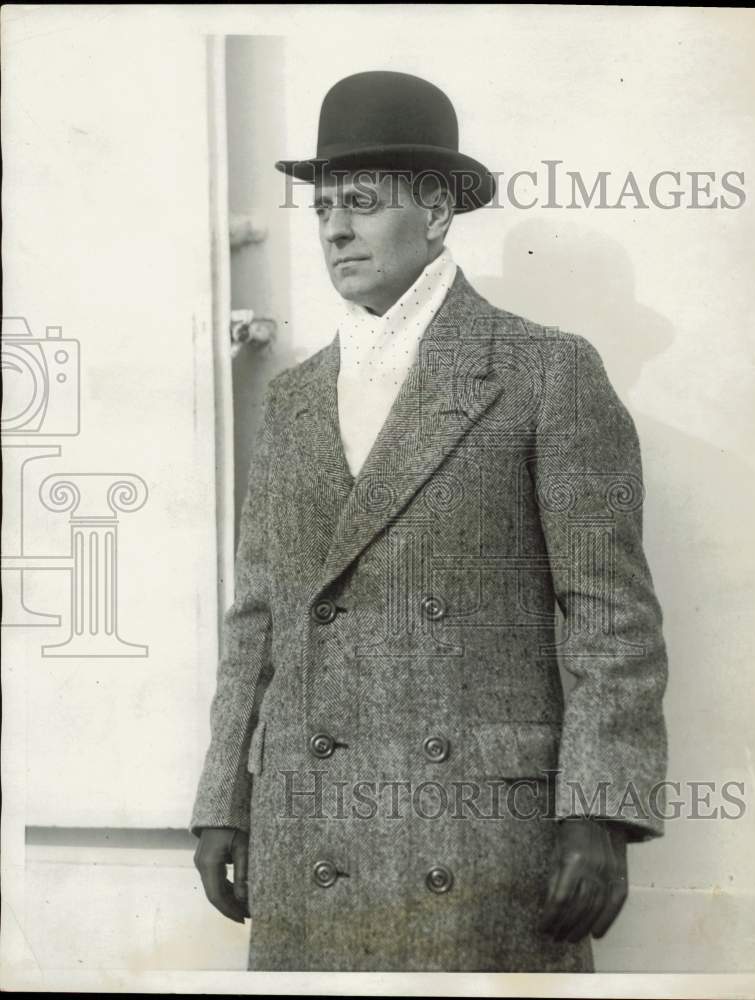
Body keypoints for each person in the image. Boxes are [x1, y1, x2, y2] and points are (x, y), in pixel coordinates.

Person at [190, 70, 669, 972]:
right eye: (323, 207)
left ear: (438, 210)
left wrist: (599, 807)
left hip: (480, 834)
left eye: (362, 203)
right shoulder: (294, 398)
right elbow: (256, 617)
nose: (334, 228)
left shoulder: (544, 372)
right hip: (307, 828)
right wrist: (224, 800)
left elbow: (612, 616)